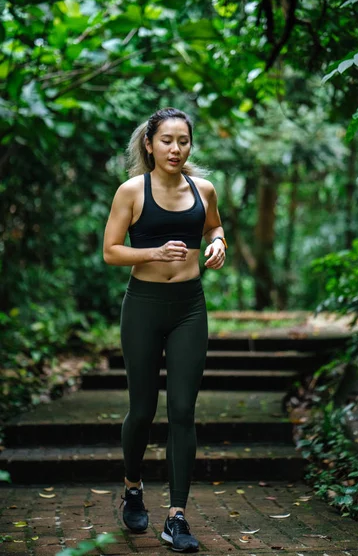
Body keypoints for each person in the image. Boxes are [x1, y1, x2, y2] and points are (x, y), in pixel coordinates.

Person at [103, 107, 227, 552]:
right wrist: (152, 254)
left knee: (181, 410)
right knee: (142, 409)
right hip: (144, 308)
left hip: (190, 308)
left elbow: (214, 226)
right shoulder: (132, 191)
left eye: (184, 141)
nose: (176, 149)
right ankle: (133, 486)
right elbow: (111, 251)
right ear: (149, 144)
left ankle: (177, 516)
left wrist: (216, 244)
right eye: (168, 140)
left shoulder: (204, 189)